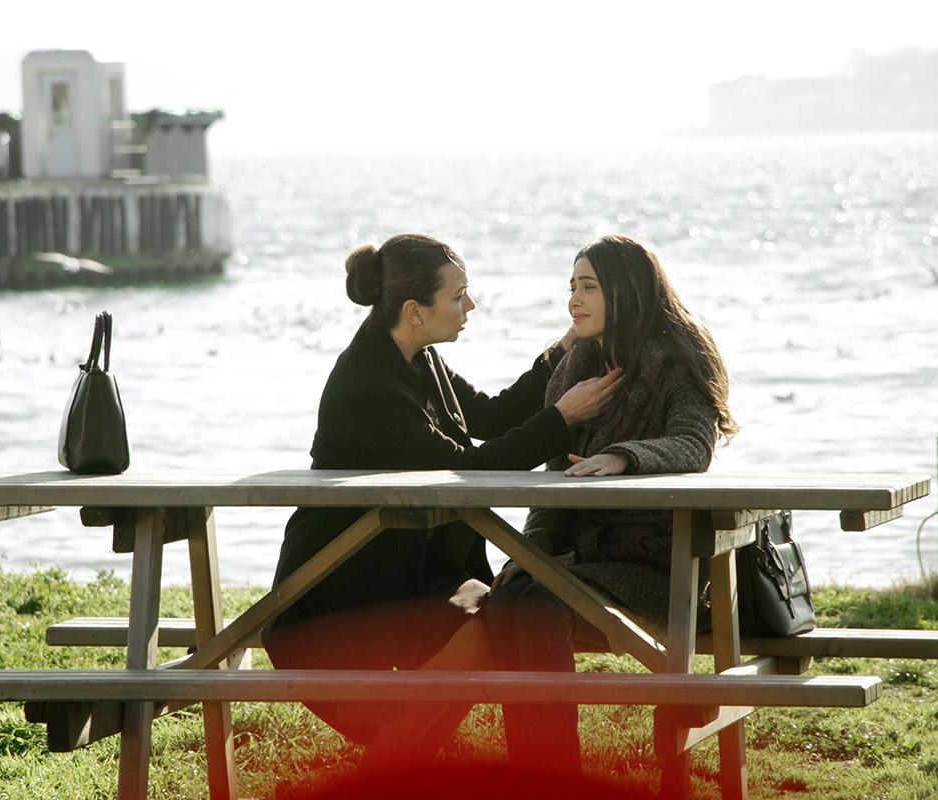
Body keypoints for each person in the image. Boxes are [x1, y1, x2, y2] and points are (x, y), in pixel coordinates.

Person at [261, 232, 624, 768]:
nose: (470, 305)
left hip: (407, 580)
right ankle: (391, 768)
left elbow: (492, 416)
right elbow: (465, 469)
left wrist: (567, 345)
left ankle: (397, 766)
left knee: (496, 621)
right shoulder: (367, 385)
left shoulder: (418, 356)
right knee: (482, 635)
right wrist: (562, 417)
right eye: (457, 296)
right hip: (339, 597)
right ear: (415, 311)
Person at [483, 234, 738, 775]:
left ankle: (555, 780)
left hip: (660, 565)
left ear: (626, 291)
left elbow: (694, 444)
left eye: (589, 287)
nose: (574, 300)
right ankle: (535, 778)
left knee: (535, 604)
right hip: (584, 562)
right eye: (572, 287)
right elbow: (556, 479)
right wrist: (528, 554)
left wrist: (625, 456)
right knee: (507, 601)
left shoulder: (680, 357)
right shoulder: (574, 365)